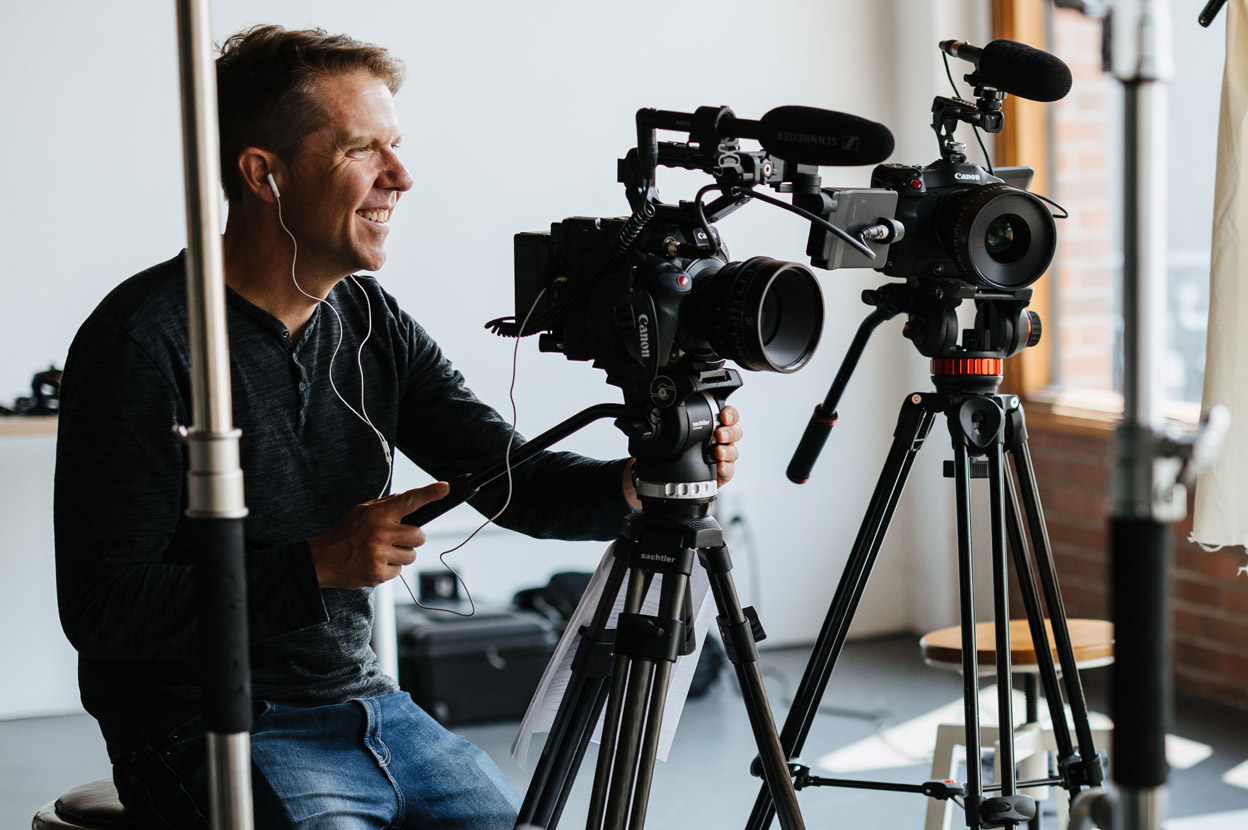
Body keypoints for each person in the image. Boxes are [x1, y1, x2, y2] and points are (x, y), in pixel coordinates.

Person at [53, 24, 743, 830]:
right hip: (208, 727)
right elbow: (103, 607)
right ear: (263, 175)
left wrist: (639, 482)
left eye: (397, 147)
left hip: (372, 709)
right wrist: (315, 567)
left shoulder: (368, 319)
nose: (401, 177)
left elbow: (507, 478)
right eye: (361, 151)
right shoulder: (147, 339)